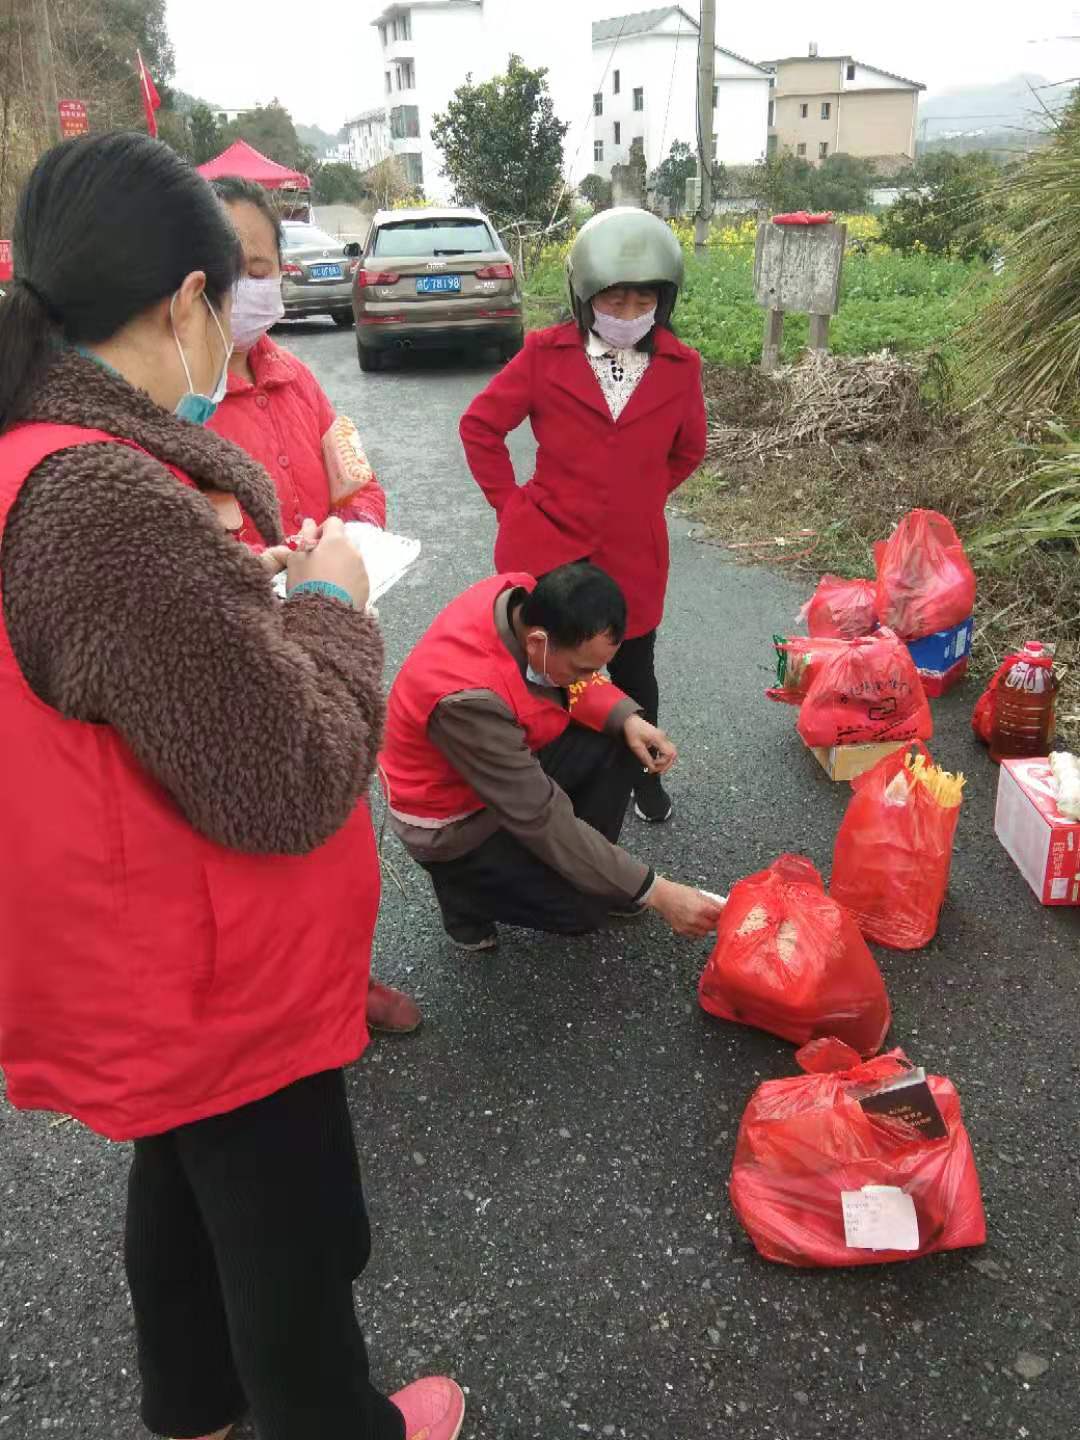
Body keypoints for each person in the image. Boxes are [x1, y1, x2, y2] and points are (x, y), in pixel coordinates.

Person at [0, 134, 463, 1440]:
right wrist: (326, 599)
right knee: (293, 1247)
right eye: (228, 289)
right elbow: (293, 775)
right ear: (183, 304)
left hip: (131, 949)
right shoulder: (103, 498)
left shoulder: (35, 460)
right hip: (214, 968)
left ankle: (192, 1416)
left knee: (183, 1201)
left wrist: (237, 598)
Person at [207, 174, 418, 1037]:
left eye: (257, 264)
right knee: (250, 857)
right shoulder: (165, 409)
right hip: (235, 666)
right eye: (223, 268)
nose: (241, 285)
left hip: (332, 643)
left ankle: (346, 982)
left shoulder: (299, 381)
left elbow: (360, 483)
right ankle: (277, 1016)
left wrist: (352, 538)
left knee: (343, 838)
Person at [459, 207, 707, 826]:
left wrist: (642, 494)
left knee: (633, 670)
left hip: (634, 553)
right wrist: (510, 504)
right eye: (613, 300)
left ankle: (644, 779)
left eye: (641, 300)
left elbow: (689, 448)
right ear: (585, 297)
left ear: (663, 302)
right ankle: (547, 793)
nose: (626, 314)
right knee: (548, 676)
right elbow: (481, 426)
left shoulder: (681, 365)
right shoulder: (545, 354)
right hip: (548, 551)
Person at [379, 562, 725, 948]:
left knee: (623, 745)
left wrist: (626, 718)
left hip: (501, 764)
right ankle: (462, 899)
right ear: (538, 642)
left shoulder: (521, 600)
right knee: (582, 910)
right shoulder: (467, 700)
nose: (589, 678)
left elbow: (573, 683)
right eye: (582, 669)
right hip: (454, 820)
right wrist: (656, 892)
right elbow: (540, 815)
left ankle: (586, 870)